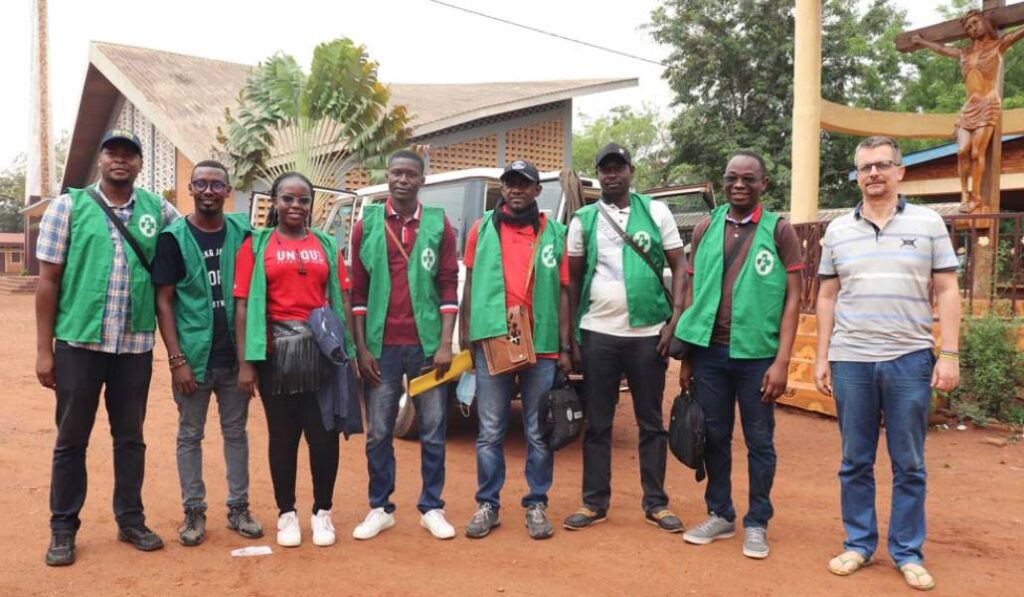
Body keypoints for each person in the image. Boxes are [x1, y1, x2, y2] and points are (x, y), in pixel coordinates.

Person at [815, 136, 960, 591]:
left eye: (882, 165)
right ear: (856, 175)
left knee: (909, 461)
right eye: (865, 167)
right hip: (851, 359)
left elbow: (947, 290)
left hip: (909, 359)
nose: (873, 174)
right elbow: (826, 295)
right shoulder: (837, 230)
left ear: (901, 171)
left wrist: (950, 352)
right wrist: (822, 356)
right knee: (854, 460)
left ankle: (907, 551)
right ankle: (859, 543)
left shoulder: (930, 223)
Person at [35, 129, 180, 566]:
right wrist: (45, 350)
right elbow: (47, 282)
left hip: (134, 346)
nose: (121, 160)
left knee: (130, 438)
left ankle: (130, 520)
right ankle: (63, 528)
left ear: (139, 164)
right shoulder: (69, 207)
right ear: (100, 159)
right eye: (113, 152)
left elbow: (190, 242)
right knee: (71, 439)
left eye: (129, 155)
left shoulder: (159, 210)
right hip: (80, 343)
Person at [675, 151, 803, 559]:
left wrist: (782, 361)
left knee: (759, 440)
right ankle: (721, 513)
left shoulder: (779, 231)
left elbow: (793, 298)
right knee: (713, 436)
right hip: (710, 353)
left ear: (764, 183)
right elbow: (693, 295)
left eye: (749, 178)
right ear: (723, 181)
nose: (739, 185)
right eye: (732, 178)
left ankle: (757, 521)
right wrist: (689, 358)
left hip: (757, 357)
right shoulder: (705, 228)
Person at [562, 143, 687, 533]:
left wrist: (675, 320)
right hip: (598, 333)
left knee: (651, 422)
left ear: (632, 171)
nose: (612, 174)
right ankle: (594, 503)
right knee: (598, 423)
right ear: (597, 175)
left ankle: (656, 503)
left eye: (619, 168)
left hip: (649, 334)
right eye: (605, 169)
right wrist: (570, 341)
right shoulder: (583, 220)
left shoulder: (657, 212)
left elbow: (680, 267)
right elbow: (572, 282)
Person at [233, 171, 352, 548]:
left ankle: (322, 513)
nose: (296, 206)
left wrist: (344, 348)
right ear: (275, 202)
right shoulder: (256, 245)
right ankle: (287, 514)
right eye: (288, 198)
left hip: (319, 352)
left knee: (324, 435)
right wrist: (246, 362)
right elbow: (241, 307)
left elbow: (341, 298)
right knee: (283, 437)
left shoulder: (327, 245)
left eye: (303, 200)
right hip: (274, 353)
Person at [459, 160, 573, 540]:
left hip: (541, 347)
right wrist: (466, 332)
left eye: (524, 184)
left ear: (537, 191)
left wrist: (565, 346)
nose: (516, 189)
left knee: (537, 431)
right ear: (502, 189)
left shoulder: (555, 233)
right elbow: (471, 282)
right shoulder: (481, 229)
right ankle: (487, 504)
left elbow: (563, 291)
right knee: (490, 430)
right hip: (493, 339)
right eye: (510, 183)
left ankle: (536, 503)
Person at [349, 150, 459, 541]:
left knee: (432, 428)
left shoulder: (438, 224)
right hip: (381, 347)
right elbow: (357, 293)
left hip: (427, 346)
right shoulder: (368, 224)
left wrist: (446, 342)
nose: (402, 180)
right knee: (379, 431)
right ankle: (380, 507)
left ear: (422, 180)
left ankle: (432, 507)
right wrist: (361, 348)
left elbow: (449, 284)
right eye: (396, 173)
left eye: (411, 174)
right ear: (388, 177)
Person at [152, 160, 262, 546]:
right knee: (189, 435)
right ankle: (194, 513)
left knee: (236, 433)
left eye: (218, 185)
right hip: (194, 361)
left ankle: (238, 508)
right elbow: (163, 302)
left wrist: (250, 361)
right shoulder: (173, 238)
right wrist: (177, 360)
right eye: (202, 184)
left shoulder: (244, 233)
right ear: (191, 188)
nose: (210, 191)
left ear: (228, 191)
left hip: (234, 360)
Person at [911, 10, 1024, 213]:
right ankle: (964, 193)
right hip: (968, 109)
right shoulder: (964, 53)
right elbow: (942, 49)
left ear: (985, 22)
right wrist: (921, 41)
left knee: (975, 152)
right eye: (968, 27)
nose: (973, 29)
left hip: (988, 104)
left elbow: (1018, 33)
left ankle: (977, 196)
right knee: (962, 151)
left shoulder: (998, 46)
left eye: (975, 23)